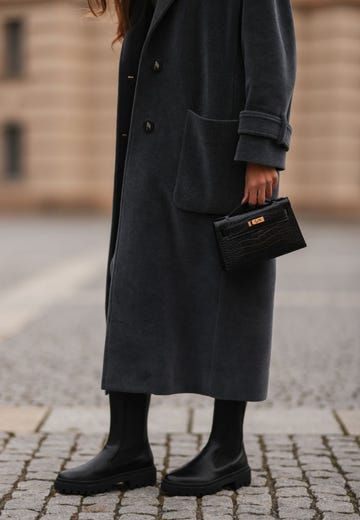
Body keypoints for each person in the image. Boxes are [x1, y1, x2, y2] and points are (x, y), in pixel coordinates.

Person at [54, 0, 296, 497]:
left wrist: (262, 147)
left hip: (219, 156)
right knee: (133, 289)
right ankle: (127, 446)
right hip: (153, 153)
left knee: (233, 289)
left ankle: (227, 450)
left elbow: (272, 52)